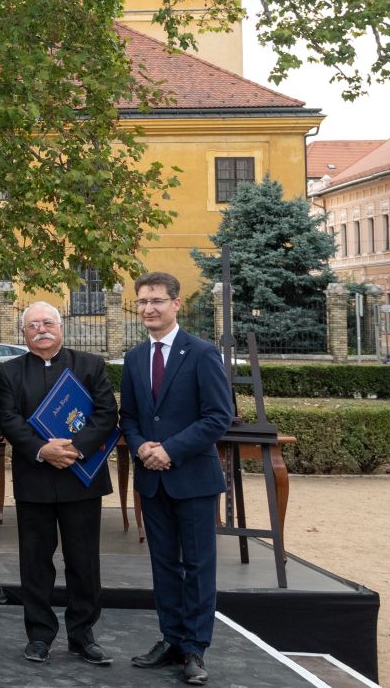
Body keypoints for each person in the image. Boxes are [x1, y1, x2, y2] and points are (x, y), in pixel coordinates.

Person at [0, 302, 118, 665]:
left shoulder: (89, 365)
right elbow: (8, 418)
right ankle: (40, 635)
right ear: (23, 333)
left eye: (47, 323)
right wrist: (43, 449)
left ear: (60, 327)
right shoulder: (9, 372)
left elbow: (107, 413)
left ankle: (82, 635)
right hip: (35, 478)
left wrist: (75, 449)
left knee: (84, 561)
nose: (41, 330)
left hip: (81, 478)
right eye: (33, 325)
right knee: (35, 562)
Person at [121, 272, 233, 686]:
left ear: (176, 304)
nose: (149, 308)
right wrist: (142, 449)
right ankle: (170, 639)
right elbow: (129, 417)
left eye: (157, 301)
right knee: (163, 565)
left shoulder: (202, 353)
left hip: (194, 479)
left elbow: (218, 417)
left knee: (199, 566)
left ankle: (195, 649)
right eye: (143, 302)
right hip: (152, 480)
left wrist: (170, 450)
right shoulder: (134, 358)